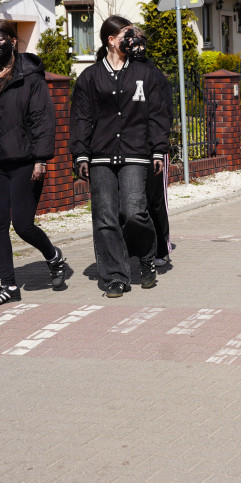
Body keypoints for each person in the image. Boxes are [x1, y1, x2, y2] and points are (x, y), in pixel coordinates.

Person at [0, 21, 67, 308]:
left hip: (25, 163)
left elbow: (43, 118)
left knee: (22, 225)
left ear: (11, 40)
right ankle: (9, 286)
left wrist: (41, 159)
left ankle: (54, 257)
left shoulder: (30, 77)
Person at [70, 16, 170, 298]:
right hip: (101, 155)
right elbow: (81, 118)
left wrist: (159, 148)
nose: (132, 39)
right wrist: (81, 154)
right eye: (127, 34)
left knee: (134, 211)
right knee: (105, 218)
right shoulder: (89, 77)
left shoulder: (145, 74)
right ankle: (115, 276)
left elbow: (158, 114)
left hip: (136, 153)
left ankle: (146, 256)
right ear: (111, 40)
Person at [127, 27, 175, 267]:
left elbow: (166, 113)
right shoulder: (119, 74)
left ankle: (162, 248)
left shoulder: (154, 75)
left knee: (155, 201)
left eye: (141, 44)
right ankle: (135, 247)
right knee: (132, 202)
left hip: (152, 148)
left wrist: (159, 143)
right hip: (128, 148)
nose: (137, 49)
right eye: (132, 44)